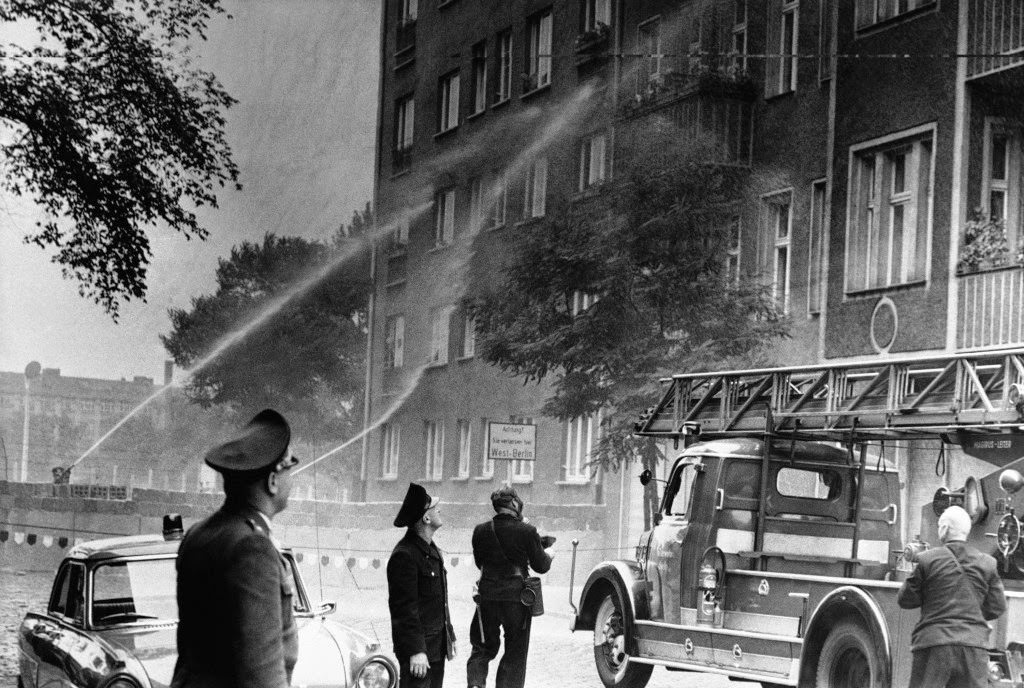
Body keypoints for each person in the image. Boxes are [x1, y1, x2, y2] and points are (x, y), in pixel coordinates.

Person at [171, 409, 300, 688]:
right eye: (290, 465)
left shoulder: (198, 534)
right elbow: (262, 674)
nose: (294, 475)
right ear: (273, 481)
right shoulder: (252, 547)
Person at [898, 504, 1007, 688]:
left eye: (940, 525)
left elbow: (905, 600)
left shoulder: (927, 560)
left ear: (945, 529)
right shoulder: (987, 563)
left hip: (934, 645)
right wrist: (970, 616)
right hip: (973, 646)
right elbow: (997, 607)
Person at [466, 486, 553, 688]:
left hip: (487, 596)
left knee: (481, 647)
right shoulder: (528, 531)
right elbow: (541, 565)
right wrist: (550, 554)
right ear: (514, 503)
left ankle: (476, 684)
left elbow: (480, 563)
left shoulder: (480, 530)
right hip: (516, 600)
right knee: (515, 652)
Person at [387, 483, 456, 688]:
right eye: (434, 507)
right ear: (426, 518)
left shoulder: (430, 550)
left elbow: (438, 600)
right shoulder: (405, 555)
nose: (439, 510)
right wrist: (416, 650)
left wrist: (448, 634)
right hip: (418, 654)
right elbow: (404, 609)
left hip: (435, 648)